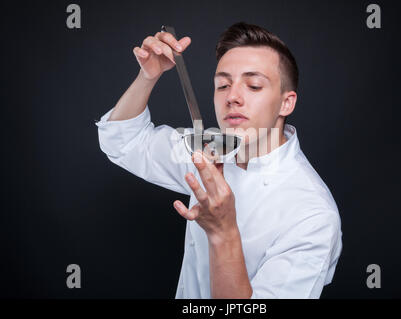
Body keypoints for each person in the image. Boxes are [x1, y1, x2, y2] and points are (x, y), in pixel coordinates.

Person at [95, 22, 343, 299]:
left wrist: (222, 232)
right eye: (222, 85)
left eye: (253, 85)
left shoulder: (312, 215)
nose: (232, 97)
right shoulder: (208, 149)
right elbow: (123, 141)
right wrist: (148, 76)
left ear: (286, 103)